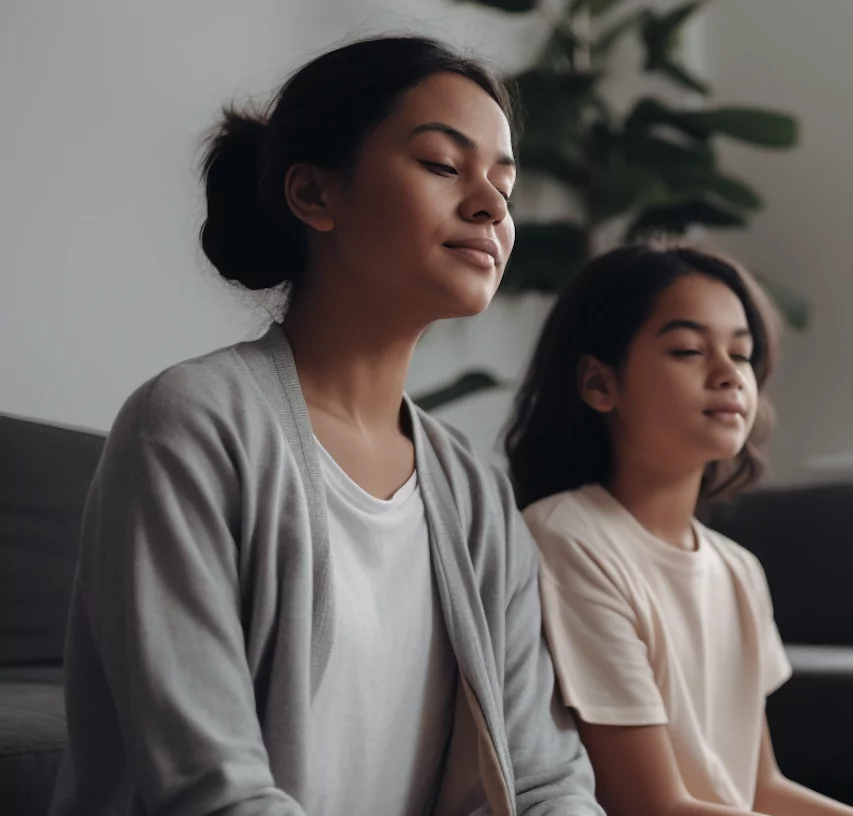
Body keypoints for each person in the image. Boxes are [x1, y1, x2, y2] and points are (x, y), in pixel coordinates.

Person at [48, 35, 601, 816]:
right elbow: (213, 791)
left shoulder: (474, 494)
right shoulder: (191, 426)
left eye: (504, 185)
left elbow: (545, 779)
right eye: (444, 165)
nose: (490, 205)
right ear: (314, 195)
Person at [503, 245, 853, 816]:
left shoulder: (738, 569)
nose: (728, 374)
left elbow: (759, 790)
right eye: (687, 350)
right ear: (600, 385)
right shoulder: (568, 539)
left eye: (742, 354)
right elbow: (652, 807)